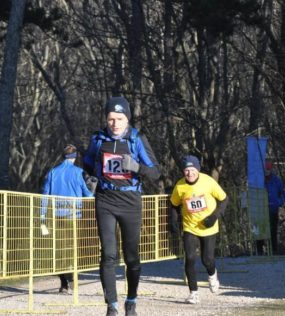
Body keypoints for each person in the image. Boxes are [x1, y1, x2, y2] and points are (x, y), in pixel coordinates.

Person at [83, 96, 160, 316]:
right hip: (105, 199)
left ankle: (131, 300)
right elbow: (87, 164)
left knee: (131, 256)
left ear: (127, 118)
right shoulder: (97, 139)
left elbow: (156, 172)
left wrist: (137, 166)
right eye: (110, 119)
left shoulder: (137, 139)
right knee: (108, 254)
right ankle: (112, 306)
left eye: (119, 118)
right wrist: (89, 178)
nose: (114, 123)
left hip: (130, 201)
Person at [169, 155, 228, 304]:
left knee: (207, 260)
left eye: (192, 169)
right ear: (183, 171)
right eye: (187, 170)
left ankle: (212, 274)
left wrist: (214, 217)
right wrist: (173, 220)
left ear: (198, 169)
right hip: (190, 227)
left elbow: (224, 199)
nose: (190, 173)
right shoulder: (180, 186)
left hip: (208, 226)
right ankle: (193, 293)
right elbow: (174, 204)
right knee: (189, 258)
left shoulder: (208, 182)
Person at [41, 144, 94, 294]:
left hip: (56, 216)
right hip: (74, 216)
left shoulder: (52, 172)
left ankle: (64, 283)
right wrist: (93, 190)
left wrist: (42, 218)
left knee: (59, 249)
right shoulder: (79, 172)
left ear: (63, 156)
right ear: (75, 156)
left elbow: (45, 196)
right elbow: (88, 195)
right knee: (73, 248)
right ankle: (72, 279)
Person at [262, 161, 285, 254]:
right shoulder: (260, 181)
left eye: (268, 169)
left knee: (273, 230)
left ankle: (274, 250)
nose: (267, 171)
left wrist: (279, 202)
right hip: (262, 209)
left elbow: (283, 193)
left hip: (273, 209)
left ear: (271, 170)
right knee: (261, 230)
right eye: (265, 169)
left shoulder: (276, 180)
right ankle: (260, 251)